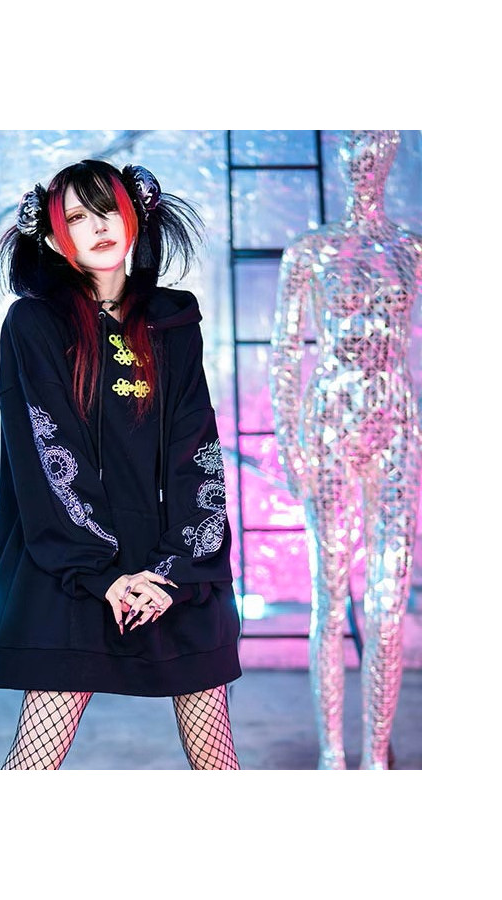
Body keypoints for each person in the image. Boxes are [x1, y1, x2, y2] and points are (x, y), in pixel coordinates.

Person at [0, 159, 242, 769]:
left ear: (134, 217)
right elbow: (47, 453)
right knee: (33, 765)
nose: (98, 226)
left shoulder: (175, 319)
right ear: (53, 238)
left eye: (107, 210)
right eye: (77, 216)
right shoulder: (34, 323)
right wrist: (102, 574)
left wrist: (173, 570)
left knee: (218, 763)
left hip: (168, 565)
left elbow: (196, 450)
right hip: (69, 563)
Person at [270, 131, 422, 769]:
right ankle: (334, 754)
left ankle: (375, 756)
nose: (365, 155)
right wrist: (288, 442)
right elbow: (285, 351)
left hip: (396, 420)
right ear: (341, 154)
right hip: (331, 419)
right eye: (355, 141)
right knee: (331, 596)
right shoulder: (311, 252)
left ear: (392, 152)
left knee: (388, 599)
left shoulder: (413, 250)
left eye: (377, 140)